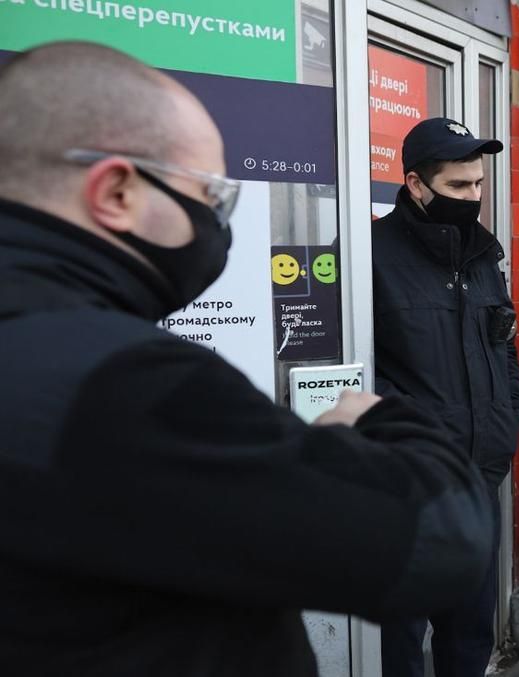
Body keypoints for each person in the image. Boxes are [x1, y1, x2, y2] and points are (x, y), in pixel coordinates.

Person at [0, 42, 492, 676]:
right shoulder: (121, 383)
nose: (218, 223)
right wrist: (376, 422)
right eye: (209, 195)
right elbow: (439, 541)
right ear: (117, 191)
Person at [372, 116, 519, 677]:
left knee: (470, 633)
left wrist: (511, 411)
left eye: (479, 184)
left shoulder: (483, 256)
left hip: (478, 479)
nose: (473, 196)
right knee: (402, 640)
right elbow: (356, 369)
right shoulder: (370, 253)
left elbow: (503, 345)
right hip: (409, 485)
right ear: (416, 184)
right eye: (458, 186)